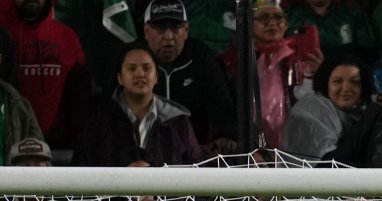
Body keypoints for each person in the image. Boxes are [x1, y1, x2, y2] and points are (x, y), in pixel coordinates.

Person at [73, 42, 210, 167]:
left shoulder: (178, 123)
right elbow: (79, 178)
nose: (140, 74)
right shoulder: (99, 123)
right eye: (132, 69)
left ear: (156, 77)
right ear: (120, 78)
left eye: (146, 68)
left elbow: (197, 177)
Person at [221, 0, 324, 149]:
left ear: (286, 24)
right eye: (263, 18)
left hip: (291, 146)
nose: (272, 23)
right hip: (246, 147)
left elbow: (311, 107)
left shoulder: (298, 60)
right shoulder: (231, 60)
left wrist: (316, 76)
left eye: (278, 17)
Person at [142, 0, 237, 153]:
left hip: (193, 156)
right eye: (160, 28)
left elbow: (222, 105)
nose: (168, 36)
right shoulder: (133, 59)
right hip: (142, 156)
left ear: (186, 30)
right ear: (146, 31)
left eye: (175, 28)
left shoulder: (200, 56)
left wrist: (227, 135)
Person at [0, 0, 90, 148]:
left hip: (61, 147)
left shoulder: (67, 38)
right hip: (9, 142)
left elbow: (80, 97)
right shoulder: (2, 38)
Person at [280, 53, 371, 160]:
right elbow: (329, 163)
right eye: (337, 81)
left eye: (354, 82)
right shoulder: (311, 110)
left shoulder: (360, 113)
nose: (346, 88)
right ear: (325, 84)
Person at [285, 0, 374, 62]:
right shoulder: (287, 14)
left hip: (342, 81)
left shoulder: (352, 13)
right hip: (297, 83)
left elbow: (368, 54)